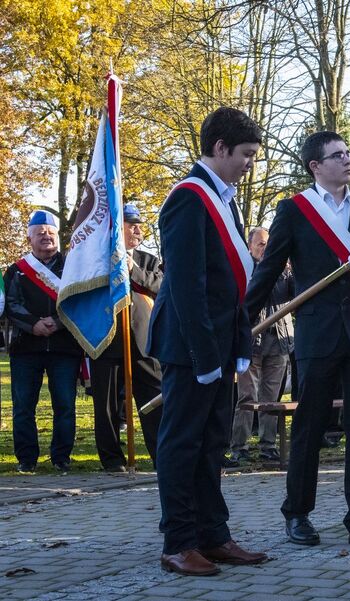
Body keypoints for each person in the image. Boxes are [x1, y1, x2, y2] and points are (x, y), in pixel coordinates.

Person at [245, 131, 350, 551]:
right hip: (317, 333)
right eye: (337, 155)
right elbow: (269, 270)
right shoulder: (294, 210)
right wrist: (242, 320)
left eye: (348, 154)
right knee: (308, 427)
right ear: (315, 166)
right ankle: (298, 514)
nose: (347, 160)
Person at [147, 107, 267, 576]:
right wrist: (202, 354)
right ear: (219, 148)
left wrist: (237, 342)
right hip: (189, 345)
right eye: (245, 155)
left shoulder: (225, 199)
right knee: (182, 443)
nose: (249, 164)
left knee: (212, 441)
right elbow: (187, 284)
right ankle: (178, 542)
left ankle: (213, 535)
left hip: (218, 343)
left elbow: (232, 281)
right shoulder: (188, 198)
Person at [5, 210, 83, 474]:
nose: (46, 238)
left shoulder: (73, 267)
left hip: (64, 347)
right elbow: (11, 305)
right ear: (30, 239)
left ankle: (61, 457)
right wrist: (34, 324)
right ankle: (26, 459)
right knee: (24, 406)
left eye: (50, 234)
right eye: (40, 234)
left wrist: (58, 323)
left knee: (65, 405)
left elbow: (77, 302)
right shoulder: (17, 270)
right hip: (26, 348)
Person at [90, 203, 164, 472]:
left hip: (144, 341)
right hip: (107, 339)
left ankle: (161, 456)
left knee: (155, 400)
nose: (137, 229)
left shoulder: (147, 260)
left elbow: (161, 286)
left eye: (139, 224)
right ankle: (112, 460)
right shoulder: (97, 261)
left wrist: (132, 269)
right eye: (130, 224)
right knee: (107, 404)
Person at [226, 226, 293, 466]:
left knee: (272, 398)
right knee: (246, 397)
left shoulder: (283, 270)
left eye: (268, 244)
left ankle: (268, 446)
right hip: (251, 342)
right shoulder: (245, 270)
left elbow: (294, 294)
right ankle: (239, 447)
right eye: (261, 244)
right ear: (250, 247)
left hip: (280, 341)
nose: (265, 248)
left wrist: (288, 272)